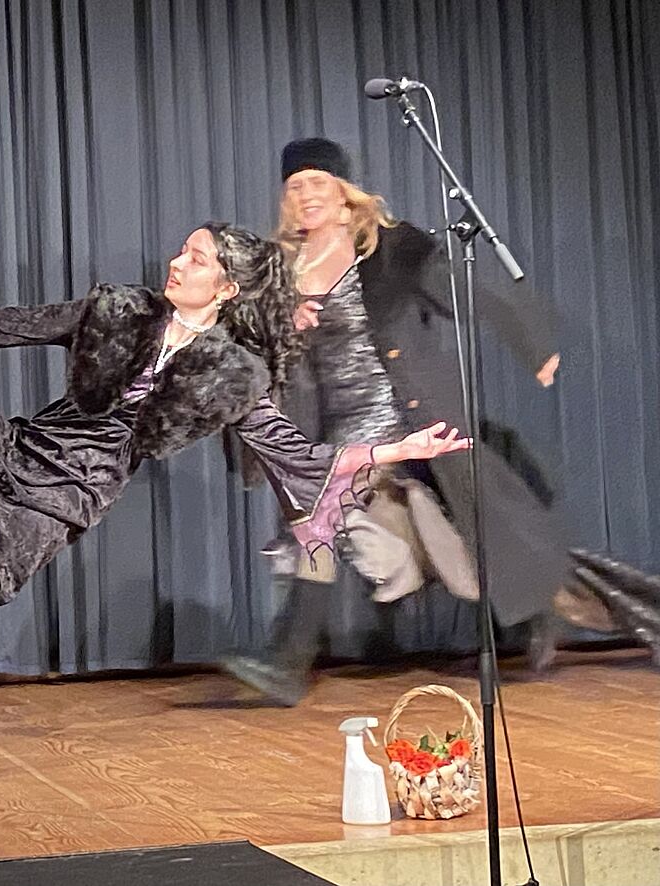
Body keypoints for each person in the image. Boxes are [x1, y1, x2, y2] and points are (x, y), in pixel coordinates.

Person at [0, 221, 471, 797]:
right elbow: (24, 323)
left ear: (227, 288)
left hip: (72, 488)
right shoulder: (121, 309)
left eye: (197, 258)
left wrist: (393, 450)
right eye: (182, 251)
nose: (178, 262)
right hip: (25, 445)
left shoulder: (233, 374)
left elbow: (295, 454)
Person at [223, 137, 595, 705]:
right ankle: (542, 605)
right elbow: (254, 349)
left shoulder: (391, 251)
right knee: (440, 552)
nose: (306, 194)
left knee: (323, 511)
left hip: (401, 415)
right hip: (333, 428)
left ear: (346, 195)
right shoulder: (279, 273)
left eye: (318, 182)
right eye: (295, 186)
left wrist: (531, 341)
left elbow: (469, 292)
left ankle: (287, 665)